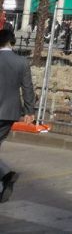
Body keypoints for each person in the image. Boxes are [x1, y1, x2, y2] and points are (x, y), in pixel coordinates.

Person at [0, 28, 33, 203]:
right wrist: (29, 111)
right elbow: (27, 87)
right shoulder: (22, 61)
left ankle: (5, 174)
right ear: (12, 42)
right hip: (11, 112)